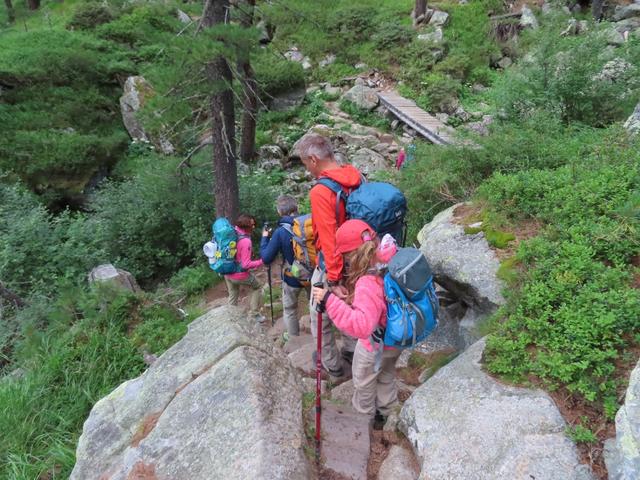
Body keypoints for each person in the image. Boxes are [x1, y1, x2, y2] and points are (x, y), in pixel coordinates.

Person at [311, 219, 400, 426]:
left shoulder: (368, 281)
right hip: (396, 338)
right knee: (386, 375)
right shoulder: (390, 258)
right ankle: (391, 416)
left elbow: (362, 326)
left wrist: (328, 300)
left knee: (364, 382)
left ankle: (363, 422)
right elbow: (380, 303)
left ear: (352, 255)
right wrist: (350, 299)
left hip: (375, 344)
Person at [294, 133, 362, 377]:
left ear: (313, 159)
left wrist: (332, 279)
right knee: (351, 304)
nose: (308, 169)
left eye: (305, 163)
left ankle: (331, 364)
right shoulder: (355, 177)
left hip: (335, 263)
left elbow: (330, 237)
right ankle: (353, 351)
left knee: (318, 314)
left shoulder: (321, 191)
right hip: (360, 258)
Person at [260, 195, 309, 336]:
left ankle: (293, 339)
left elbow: (266, 258)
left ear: (279, 211)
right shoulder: (308, 224)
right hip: (313, 274)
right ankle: (320, 338)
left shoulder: (280, 232)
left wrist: (264, 238)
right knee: (316, 307)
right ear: (297, 208)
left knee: (290, 309)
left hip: (292, 276)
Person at [224, 214, 265, 324]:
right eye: (252, 225)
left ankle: (230, 319)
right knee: (257, 286)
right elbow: (245, 265)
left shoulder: (232, 232)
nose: (254, 227)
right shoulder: (245, 241)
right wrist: (261, 262)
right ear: (247, 226)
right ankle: (254, 315)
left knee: (233, 294)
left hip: (227, 272)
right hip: (239, 274)